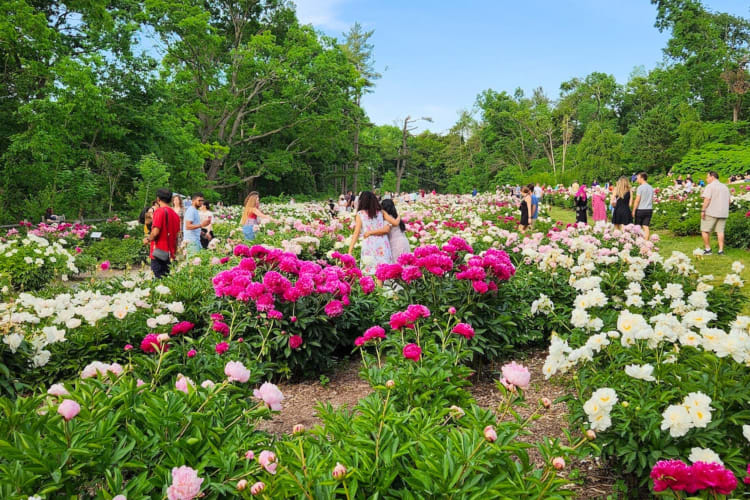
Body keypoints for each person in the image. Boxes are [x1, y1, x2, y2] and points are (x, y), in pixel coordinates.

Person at [347, 191, 393, 281]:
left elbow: (356, 233)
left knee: (371, 270)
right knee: (382, 270)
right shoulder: (381, 212)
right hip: (382, 243)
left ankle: (376, 291)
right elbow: (386, 229)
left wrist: (350, 250)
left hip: (369, 243)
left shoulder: (360, 214)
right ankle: (384, 291)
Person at [143, 188, 180, 279]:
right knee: (166, 280)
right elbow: (176, 236)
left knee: (158, 281)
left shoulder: (159, 211)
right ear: (171, 199)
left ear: (158, 199)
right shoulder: (175, 215)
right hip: (169, 254)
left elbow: (155, 232)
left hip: (158, 253)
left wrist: (147, 239)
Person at [700, 171, 730, 255]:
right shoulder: (725, 186)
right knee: (720, 231)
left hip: (711, 212)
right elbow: (729, 201)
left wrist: (703, 210)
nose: (706, 179)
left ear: (712, 177)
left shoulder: (710, 186)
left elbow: (707, 199)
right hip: (723, 212)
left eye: (707, 177)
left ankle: (708, 249)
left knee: (705, 230)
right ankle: (721, 251)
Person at [632, 172, 654, 241]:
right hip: (649, 209)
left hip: (640, 209)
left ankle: (637, 242)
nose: (637, 180)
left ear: (642, 178)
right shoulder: (651, 187)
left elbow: (637, 200)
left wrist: (633, 210)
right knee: (646, 226)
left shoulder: (640, 188)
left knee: (637, 227)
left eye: (638, 178)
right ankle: (646, 241)